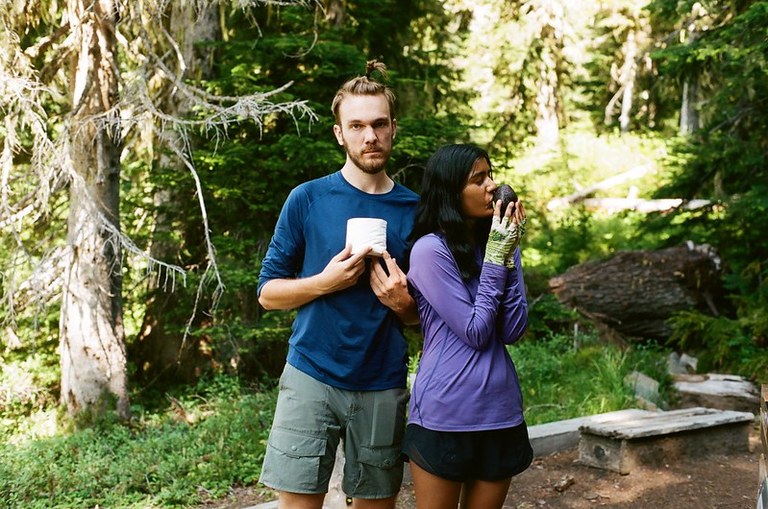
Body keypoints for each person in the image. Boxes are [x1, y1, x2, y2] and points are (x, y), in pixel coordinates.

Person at [257, 60, 420, 509]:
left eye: (379, 124)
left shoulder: (416, 210)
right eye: (357, 125)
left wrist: (404, 305)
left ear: (393, 129)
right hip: (311, 374)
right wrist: (324, 282)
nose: (370, 136)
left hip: (382, 380)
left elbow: (430, 318)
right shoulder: (307, 198)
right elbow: (268, 293)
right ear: (339, 134)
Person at [402, 143, 533, 509]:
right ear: (450, 192)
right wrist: (496, 257)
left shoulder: (496, 242)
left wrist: (509, 250)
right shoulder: (429, 251)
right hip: (445, 416)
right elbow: (475, 331)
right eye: (479, 179)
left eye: (490, 175)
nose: (492, 185)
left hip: (500, 411)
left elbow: (513, 329)